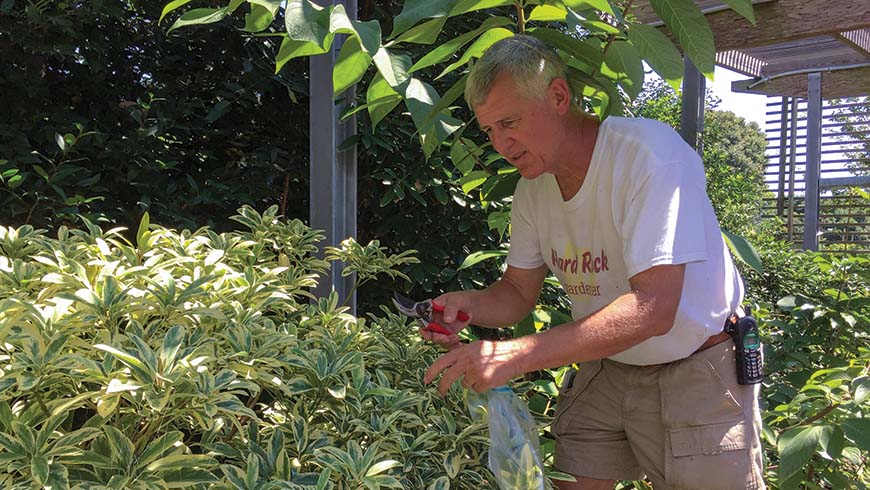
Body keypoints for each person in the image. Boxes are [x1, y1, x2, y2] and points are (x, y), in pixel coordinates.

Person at [421, 35, 765, 489]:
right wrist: (466, 305)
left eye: (510, 122)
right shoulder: (533, 188)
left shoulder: (649, 157)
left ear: (558, 97)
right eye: (489, 130)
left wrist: (513, 355)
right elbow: (517, 293)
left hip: (695, 368)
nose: (501, 143)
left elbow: (653, 308)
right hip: (606, 367)